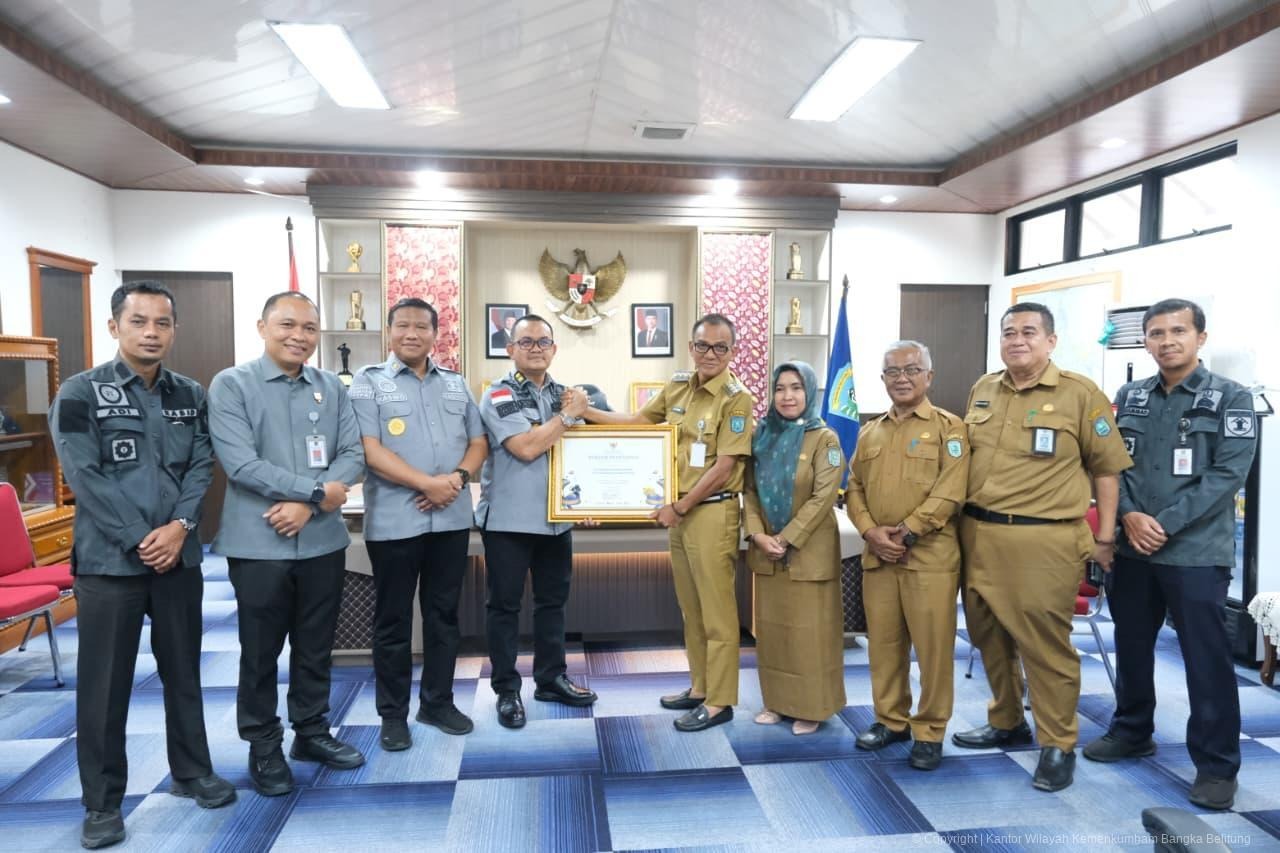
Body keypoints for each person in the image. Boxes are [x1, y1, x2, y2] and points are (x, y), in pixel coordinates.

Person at [51, 281, 234, 849]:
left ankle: (191, 771)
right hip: (110, 566)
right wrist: (141, 539)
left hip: (178, 559)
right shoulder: (81, 393)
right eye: (139, 322)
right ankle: (102, 803)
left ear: (174, 329)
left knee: (184, 671)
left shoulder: (190, 394)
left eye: (162, 322)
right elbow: (86, 478)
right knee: (105, 687)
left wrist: (179, 529)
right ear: (115, 327)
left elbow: (202, 465)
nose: (151, 332)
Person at [1083, 299, 1256, 811]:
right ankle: (1133, 730)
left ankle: (1217, 765)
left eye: (1178, 331)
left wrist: (1163, 523)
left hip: (1196, 552)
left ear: (1200, 337)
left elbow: (1227, 476)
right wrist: (1130, 517)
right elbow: (1115, 465)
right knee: (1132, 646)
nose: (1166, 341)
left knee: (1207, 661)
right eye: (1156, 333)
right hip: (1135, 548)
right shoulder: (1130, 395)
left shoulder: (1232, 398)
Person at [951, 302, 1132, 792]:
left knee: (1044, 647)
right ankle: (1007, 720)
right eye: (1008, 332)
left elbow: (1107, 470)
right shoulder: (983, 388)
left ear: (1051, 341)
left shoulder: (1079, 394)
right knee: (987, 636)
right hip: (978, 533)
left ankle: (1058, 743)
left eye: (1028, 332)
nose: (1017, 340)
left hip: (1043, 538)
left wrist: (1105, 536)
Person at [207, 291, 366, 797]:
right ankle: (263, 744)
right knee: (260, 651)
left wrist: (311, 505)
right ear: (262, 327)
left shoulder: (330, 387)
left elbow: (352, 455)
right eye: (287, 325)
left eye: (310, 327)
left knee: (316, 645)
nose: (299, 336)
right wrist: (317, 493)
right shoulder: (232, 385)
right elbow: (241, 464)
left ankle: (311, 733)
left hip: (321, 540)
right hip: (259, 542)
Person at [584, 313, 755, 731]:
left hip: (711, 510)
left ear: (732, 352)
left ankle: (720, 701)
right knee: (691, 608)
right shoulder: (678, 385)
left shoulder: (736, 398)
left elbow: (725, 463)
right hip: (680, 514)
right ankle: (700, 686)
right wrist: (585, 411)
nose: (710, 354)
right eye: (702, 345)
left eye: (720, 347)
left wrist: (679, 507)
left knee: (717, 613)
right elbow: (639, 422)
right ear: (691, 346)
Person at [350, 298, 488, 749]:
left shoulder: (456, 383)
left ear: (436, 333)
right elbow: (370, 450)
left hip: (449, 518)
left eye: (422, 327)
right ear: (388, 332)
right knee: (391, 620)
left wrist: (458, 479)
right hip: (394, 522)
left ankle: (437, 702)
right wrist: (428, 484)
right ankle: (393, 714)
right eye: (403, 326)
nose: (412, 333)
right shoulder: (368, 385)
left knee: (443, 616)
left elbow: (478, 441)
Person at [846, 341, 968, 771]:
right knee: (883, 646)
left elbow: (951, 490)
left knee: (933, 650)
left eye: (911, 370)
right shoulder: (869, 431)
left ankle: (930, 731)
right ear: (882, 380)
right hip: (879, 557)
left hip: (929, 558)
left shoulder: (950, 429)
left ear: (928, 376)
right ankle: (890, 720)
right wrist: (869, 531)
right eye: (892, 372)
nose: (901, 378)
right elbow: (854, 488)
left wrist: (908, 530)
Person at [476, 314, 597, 728]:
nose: (535, 349)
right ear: (510, 349)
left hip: (556, 521)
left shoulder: (567, 395)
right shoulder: (498, 393)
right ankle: (507, 690)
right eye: (525, 342)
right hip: (509, 521)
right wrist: (569, 417)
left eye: (543, 342)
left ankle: (550, 678)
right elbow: (526, 448)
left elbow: (597, 447)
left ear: (554, 348)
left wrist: (596, 499)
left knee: (552, 605)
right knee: (504, 607)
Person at [743, 361, 845, 737]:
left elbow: (823, 498)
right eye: (780, 388)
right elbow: (749, 490)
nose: (787, 396)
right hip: (768, 552)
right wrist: (757, 535)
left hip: (806, 551)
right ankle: (777, 702)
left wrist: (785, 538)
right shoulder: (762, 435)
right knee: (773, 633)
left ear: (811, 392)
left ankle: (811, 706)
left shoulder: (825, 439)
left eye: (797, 388)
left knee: (809, 634)